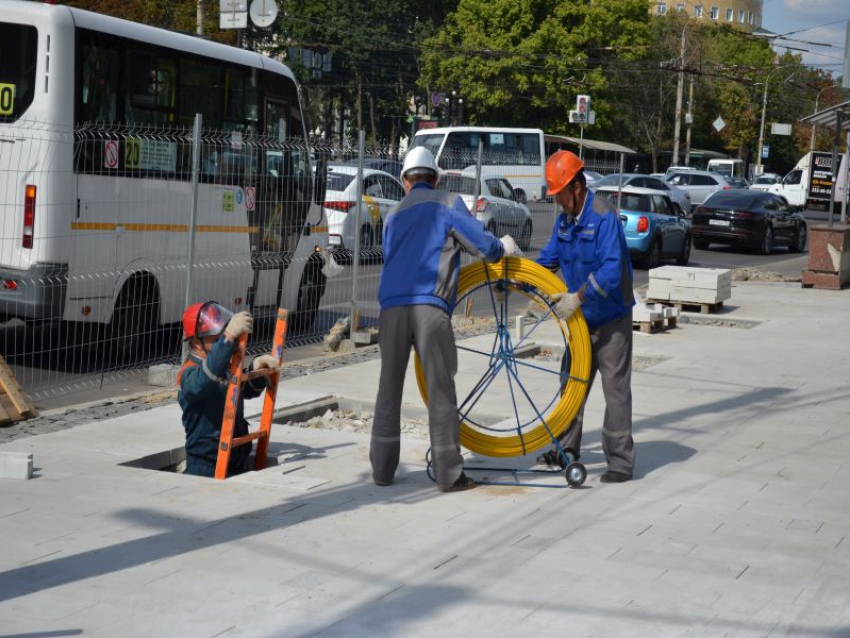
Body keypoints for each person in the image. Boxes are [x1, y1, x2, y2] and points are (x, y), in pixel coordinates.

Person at [370, 147, 521, 492]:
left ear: (406, 182)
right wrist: (502, 248)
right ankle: (449, 475)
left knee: (388, 390)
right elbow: (482, 244)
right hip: (430, 307)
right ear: (434, 178)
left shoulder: (393, 214)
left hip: (391, 308)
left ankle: (381, 471)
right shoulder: (448, 202)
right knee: (440, 390)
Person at [536, 150, 636, 483]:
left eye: (559, 193)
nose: (557, 201)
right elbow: (549, 259)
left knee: (615, 390)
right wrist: (518, 278)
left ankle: (620, 462)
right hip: (580, 321)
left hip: (611, 321)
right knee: (571, 383)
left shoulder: (602, 215)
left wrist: (578, 297)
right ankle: (565, 449)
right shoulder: (565, 221)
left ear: (575, 187)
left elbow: (612, 270)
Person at [178, 302, 279, 478]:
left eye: (221, 338)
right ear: (196, 343)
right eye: (216, 339)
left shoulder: (221, 367)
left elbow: (242, 391)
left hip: (232, 460)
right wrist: (228, 336)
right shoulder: (189, 374)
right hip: (205, 467)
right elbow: (206, 380)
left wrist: (256, 371)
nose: (224, 345)